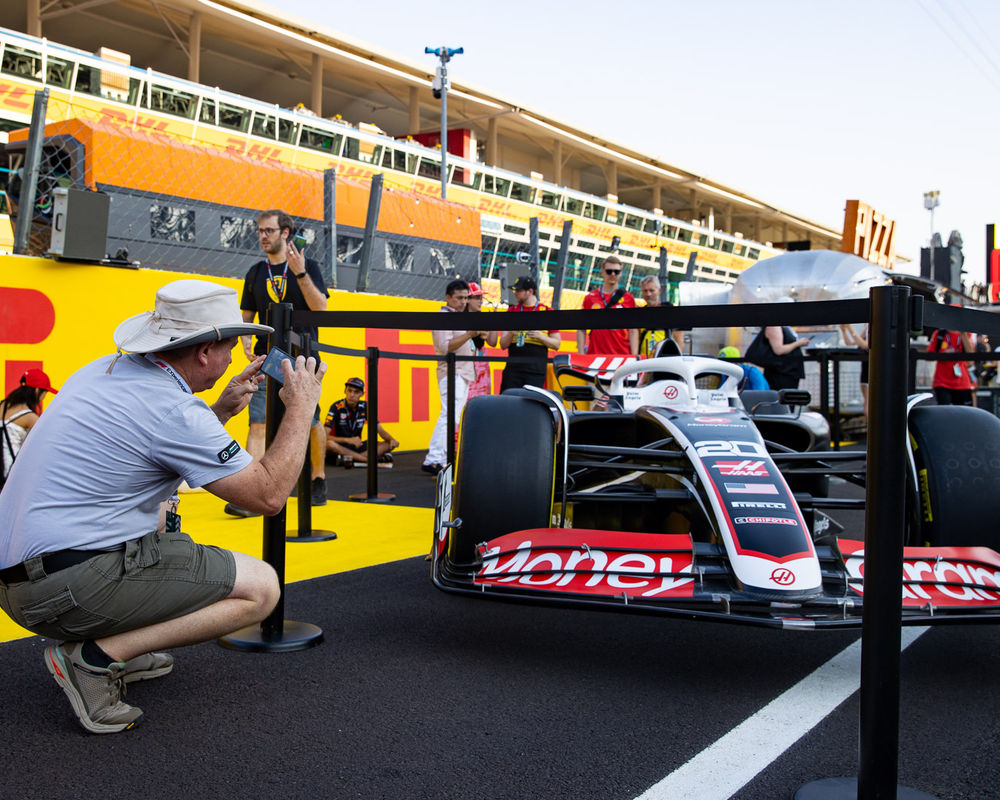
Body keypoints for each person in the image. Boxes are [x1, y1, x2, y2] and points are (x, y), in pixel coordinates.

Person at [0, 279, 326, 734]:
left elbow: (152, 445)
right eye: (231, 345)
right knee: (262, 589)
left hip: (19, 580)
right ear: (205, 352)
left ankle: (119, 641)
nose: (235, 356)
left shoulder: (104, 370)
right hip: (61, 591)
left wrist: (220, 410)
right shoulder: (174, 411)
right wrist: (301, 408)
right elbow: (268, 496)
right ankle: (94, 658)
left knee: (163, 515)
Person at [230, 208, 330, 516]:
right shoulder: (255, 272)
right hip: (268, 358)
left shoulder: (307, 265)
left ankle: (317, 478)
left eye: (269, 231)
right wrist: (245, 338)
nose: (262, 236)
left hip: (303, 359)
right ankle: (251, 492)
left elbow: (321, 309)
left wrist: (299, 272)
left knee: (310, 422)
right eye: (260, 231)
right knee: (257, 421)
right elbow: (246, 315)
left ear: (286, 233)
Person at [422, 279, 483, 475]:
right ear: (448, 297)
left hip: (461, 372)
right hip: (452, 371)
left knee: (452, 416)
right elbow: (444, 347)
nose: (463, 302)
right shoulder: (444, 316)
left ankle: (438, 457)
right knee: (449, 415)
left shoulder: (457, 316)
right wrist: (470, 334)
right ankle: (434, 458)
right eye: (459, 298)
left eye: (466, 298)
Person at [499, 276, 560, 392]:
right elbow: (502, 344)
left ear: (530, 291)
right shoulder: (511, 311)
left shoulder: (547, 312)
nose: (515, 293)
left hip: (535, 371)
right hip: (513, 369)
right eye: (514, 290)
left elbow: (557, 344)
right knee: (507, 402)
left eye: (518, 290)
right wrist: (511, 333)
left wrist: (540, 336)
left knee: (532, 404)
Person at [324, 377, 399, 467]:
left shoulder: (365, 406)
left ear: (362, 394)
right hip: (340, 446)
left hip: (357, 446)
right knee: (329, 444)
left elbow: (380, 430)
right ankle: (366, 460)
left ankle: (349, 459)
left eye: (356, 392)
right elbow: (324, 436)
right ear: (345, 391)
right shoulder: (336, 406)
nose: (352, 395)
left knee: (387, 444)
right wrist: (348, 440)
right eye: (349, 391)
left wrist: (392, 440)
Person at [1, 368, 59, 480]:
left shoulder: (2, 405)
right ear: (37, 391)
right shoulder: (30, 417)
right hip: (9, 475)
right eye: (45, 393)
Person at [576, 255, 638, 356]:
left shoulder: (628, 298)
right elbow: (581, 328)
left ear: (621, 274)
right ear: (603, 271)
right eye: (609, 271)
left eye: (616, 272)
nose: (613, 274)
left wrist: (634, 356)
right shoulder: (590, 298)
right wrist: (581, 354)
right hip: (595, 354)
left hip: (622, 355)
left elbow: (633, 330)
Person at [465, 282, 499, 400]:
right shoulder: (459, 317)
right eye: (477, 298)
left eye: (481, 298)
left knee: (482, 396)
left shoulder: (483, 318)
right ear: (467, 300)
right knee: (466, 396)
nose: (481, 301)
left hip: (481, 359)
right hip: (467, 359)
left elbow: (493, 342)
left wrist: (494, 322)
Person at [637, 276, 684, 357]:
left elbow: (679, 339)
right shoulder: (640, 314)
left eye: (652, 290)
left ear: (659, 291)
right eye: (645, 291)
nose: (648, 294)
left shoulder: (669, 312)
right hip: (644, 362)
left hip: (664, 360)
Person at [928, 327, 975, 406]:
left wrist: (963, 334)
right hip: (942, 382)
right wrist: (943, 354)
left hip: (962, 382)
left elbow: (971, 358)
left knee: (964, 414)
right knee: (944, 412)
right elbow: (930, 355)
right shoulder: (939, 334)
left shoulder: (966, 334)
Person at [755, 326, 810, 390]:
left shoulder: (785, 327)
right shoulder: (774, 327)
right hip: (781, 372)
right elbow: (778, 350)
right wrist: (798, 343)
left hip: (791, 371)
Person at [839, 323, 870, 417]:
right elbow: (852, 343)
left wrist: (850, 328)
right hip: (865, 368)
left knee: (870, 402)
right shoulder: (867, 329)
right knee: (867, 402)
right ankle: (869, 427)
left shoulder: (876, 328)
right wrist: (844, 331)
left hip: (873, 368)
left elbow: (865, 345)